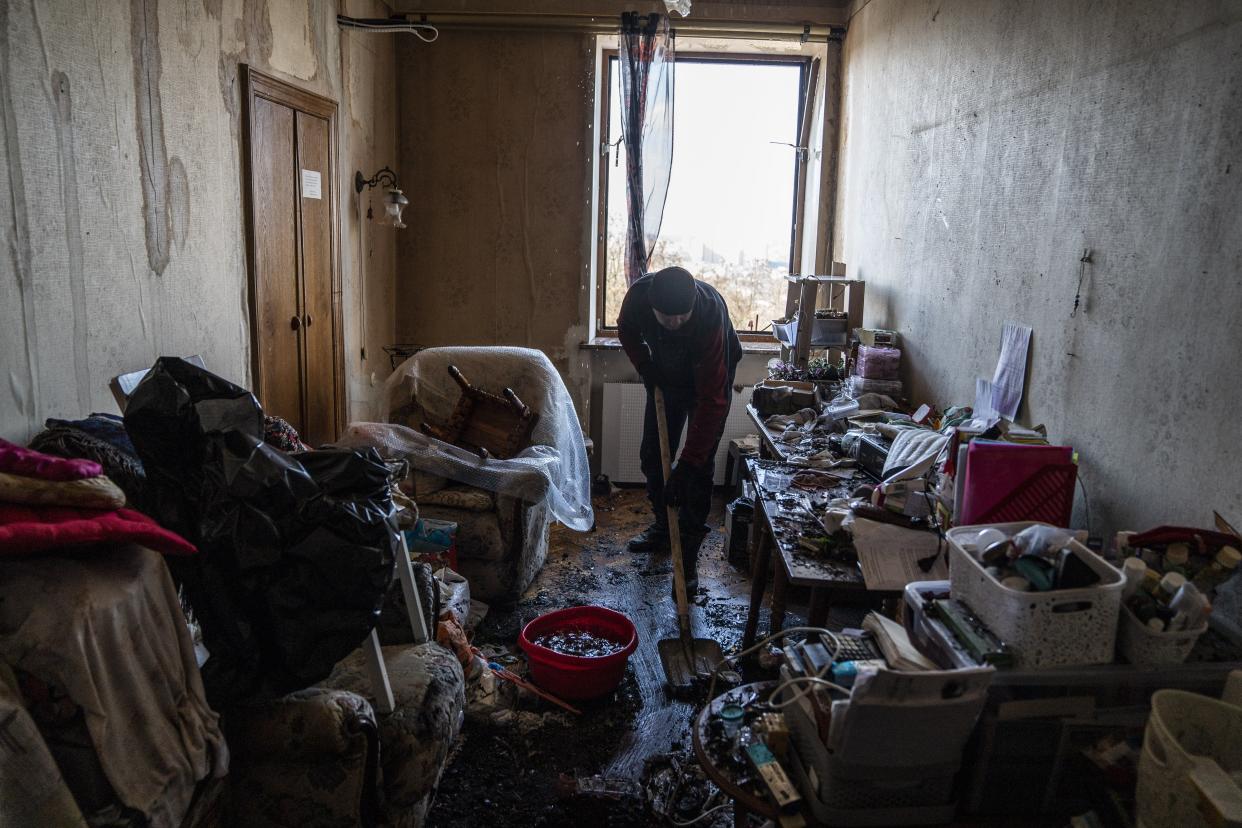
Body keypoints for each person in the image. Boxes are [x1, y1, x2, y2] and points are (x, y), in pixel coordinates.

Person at [618, 266, 742, 593]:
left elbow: (712, 401)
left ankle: (686, 554)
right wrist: (645, 365)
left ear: (692, 307)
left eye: (681, 318)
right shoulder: (638, 299)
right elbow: (627, 330)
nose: (673, 324)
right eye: (665, 318)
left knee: (698, 472)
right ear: (652, 306)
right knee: (652, 456)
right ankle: (663, 527)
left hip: (710, 380)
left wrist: (686, 466)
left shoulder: (709, 316)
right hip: (667, 377)